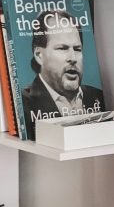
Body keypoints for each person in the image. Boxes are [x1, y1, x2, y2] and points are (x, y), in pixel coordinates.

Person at [22, 10, 105, 138]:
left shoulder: (99, 97)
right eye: (62, 48)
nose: (73, 58)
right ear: (39, 55)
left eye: (77, 49)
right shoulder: (23, 106)